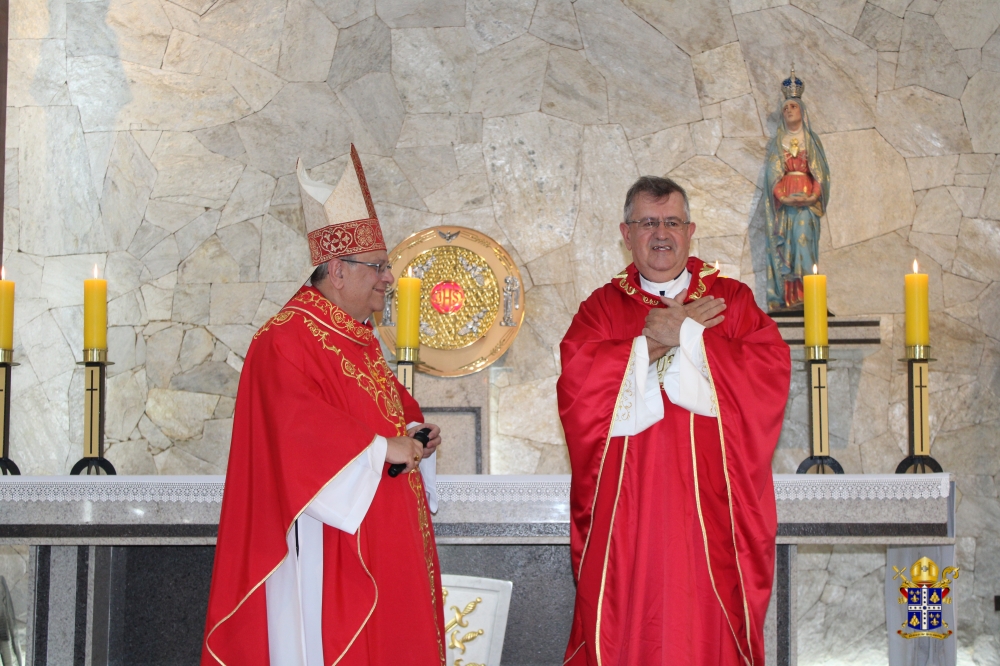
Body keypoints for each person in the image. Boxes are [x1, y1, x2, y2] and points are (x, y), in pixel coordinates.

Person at [202, 146, 446, 666]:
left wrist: (413, 429)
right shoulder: (286, 339)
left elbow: (380, 412)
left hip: (383, 529)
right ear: (337, 269)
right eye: (378, 267)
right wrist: (385, 449)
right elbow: (297, 438)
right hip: (329, 541)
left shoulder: (356, 336)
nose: (388, 278)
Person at [558, 176, 791, 665]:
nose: (660, 233)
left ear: (690, 230)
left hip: (710, 509)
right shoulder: (602, 308)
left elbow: (767, 377)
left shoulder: (732, 301)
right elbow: (579, 389)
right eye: (647, 223)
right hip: (629, 515)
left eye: (671, 222)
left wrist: (688, 334)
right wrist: (654, 342)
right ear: (626, 232)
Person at [763, 69, 831, 311]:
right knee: (788, 250)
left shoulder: (811, 141)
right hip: (785, 206)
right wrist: (782, 196)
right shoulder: (778, 143)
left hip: (807, 205)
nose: (788, 111)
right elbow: (773, 176)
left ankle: (809, 298)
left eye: (792, 106)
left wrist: (813, 195)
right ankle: (789, 299)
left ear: (802, 111)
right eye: (785, 108)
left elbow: (820, 173)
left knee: (804, 246)